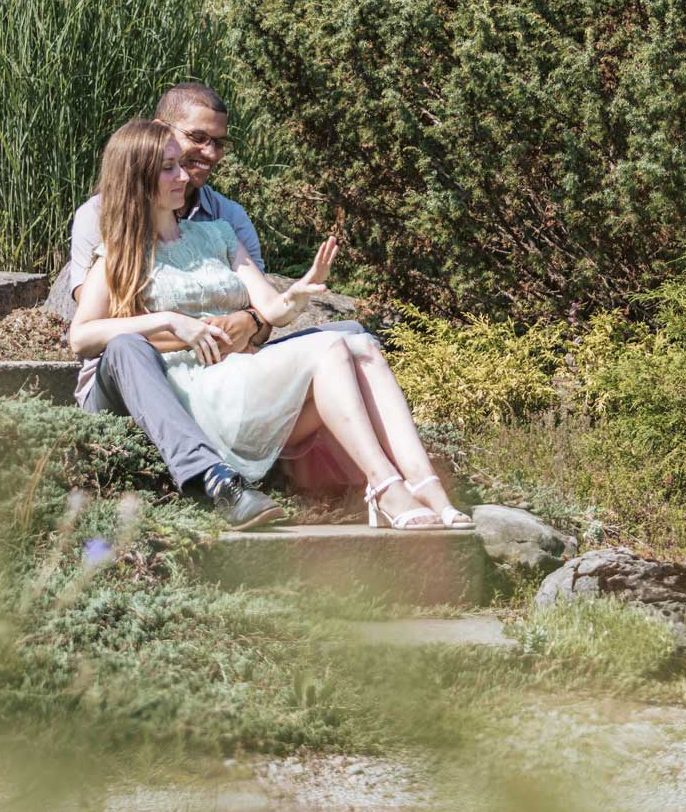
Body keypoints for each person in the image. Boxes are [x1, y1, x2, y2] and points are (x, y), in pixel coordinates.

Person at [68, 119, 473, 533]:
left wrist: (297, 294)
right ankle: (385, 487)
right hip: (189, 393)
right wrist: (172, 321)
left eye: (181, 165)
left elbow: (271, 309)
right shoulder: (117, 254)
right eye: (168, 168)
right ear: (138, 178)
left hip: (241, 372)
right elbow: (81, 337)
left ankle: (425, 484)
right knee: (330, 348)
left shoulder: (217, 234)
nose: (184, 177)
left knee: (361, 344)